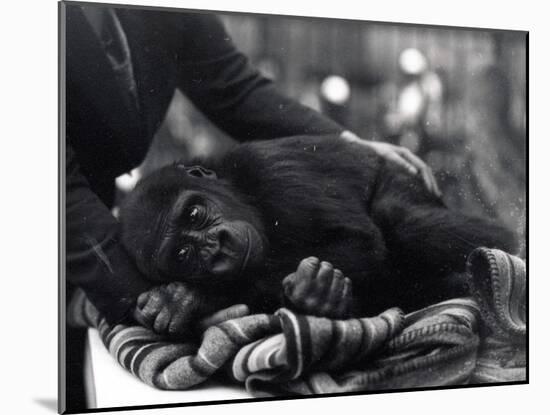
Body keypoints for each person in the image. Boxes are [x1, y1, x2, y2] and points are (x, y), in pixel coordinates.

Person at [65, 3, 439, 338]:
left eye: (198, 214)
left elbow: (233, 87)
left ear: (205, 177)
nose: (219, 245)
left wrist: (346, 142)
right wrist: (144, 299)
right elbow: (53, 186)